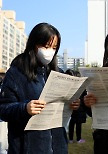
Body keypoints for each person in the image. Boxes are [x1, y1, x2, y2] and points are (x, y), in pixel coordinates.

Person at [0, 22, 80, 154]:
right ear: (34, 44)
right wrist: (25, 108)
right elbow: (3, 109)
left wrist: (74, 104)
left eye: (54, 48)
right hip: (28, 147)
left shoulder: (58, 73)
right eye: (46, 46)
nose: (50, 52)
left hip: (58, 146)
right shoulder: (16, 73)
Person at [65, 69, 87, 143]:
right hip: (78, 108)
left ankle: (71, 139)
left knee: (73, 123)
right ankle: (78, 139)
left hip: (74, 108)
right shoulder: (80, 87)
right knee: (77, 124)